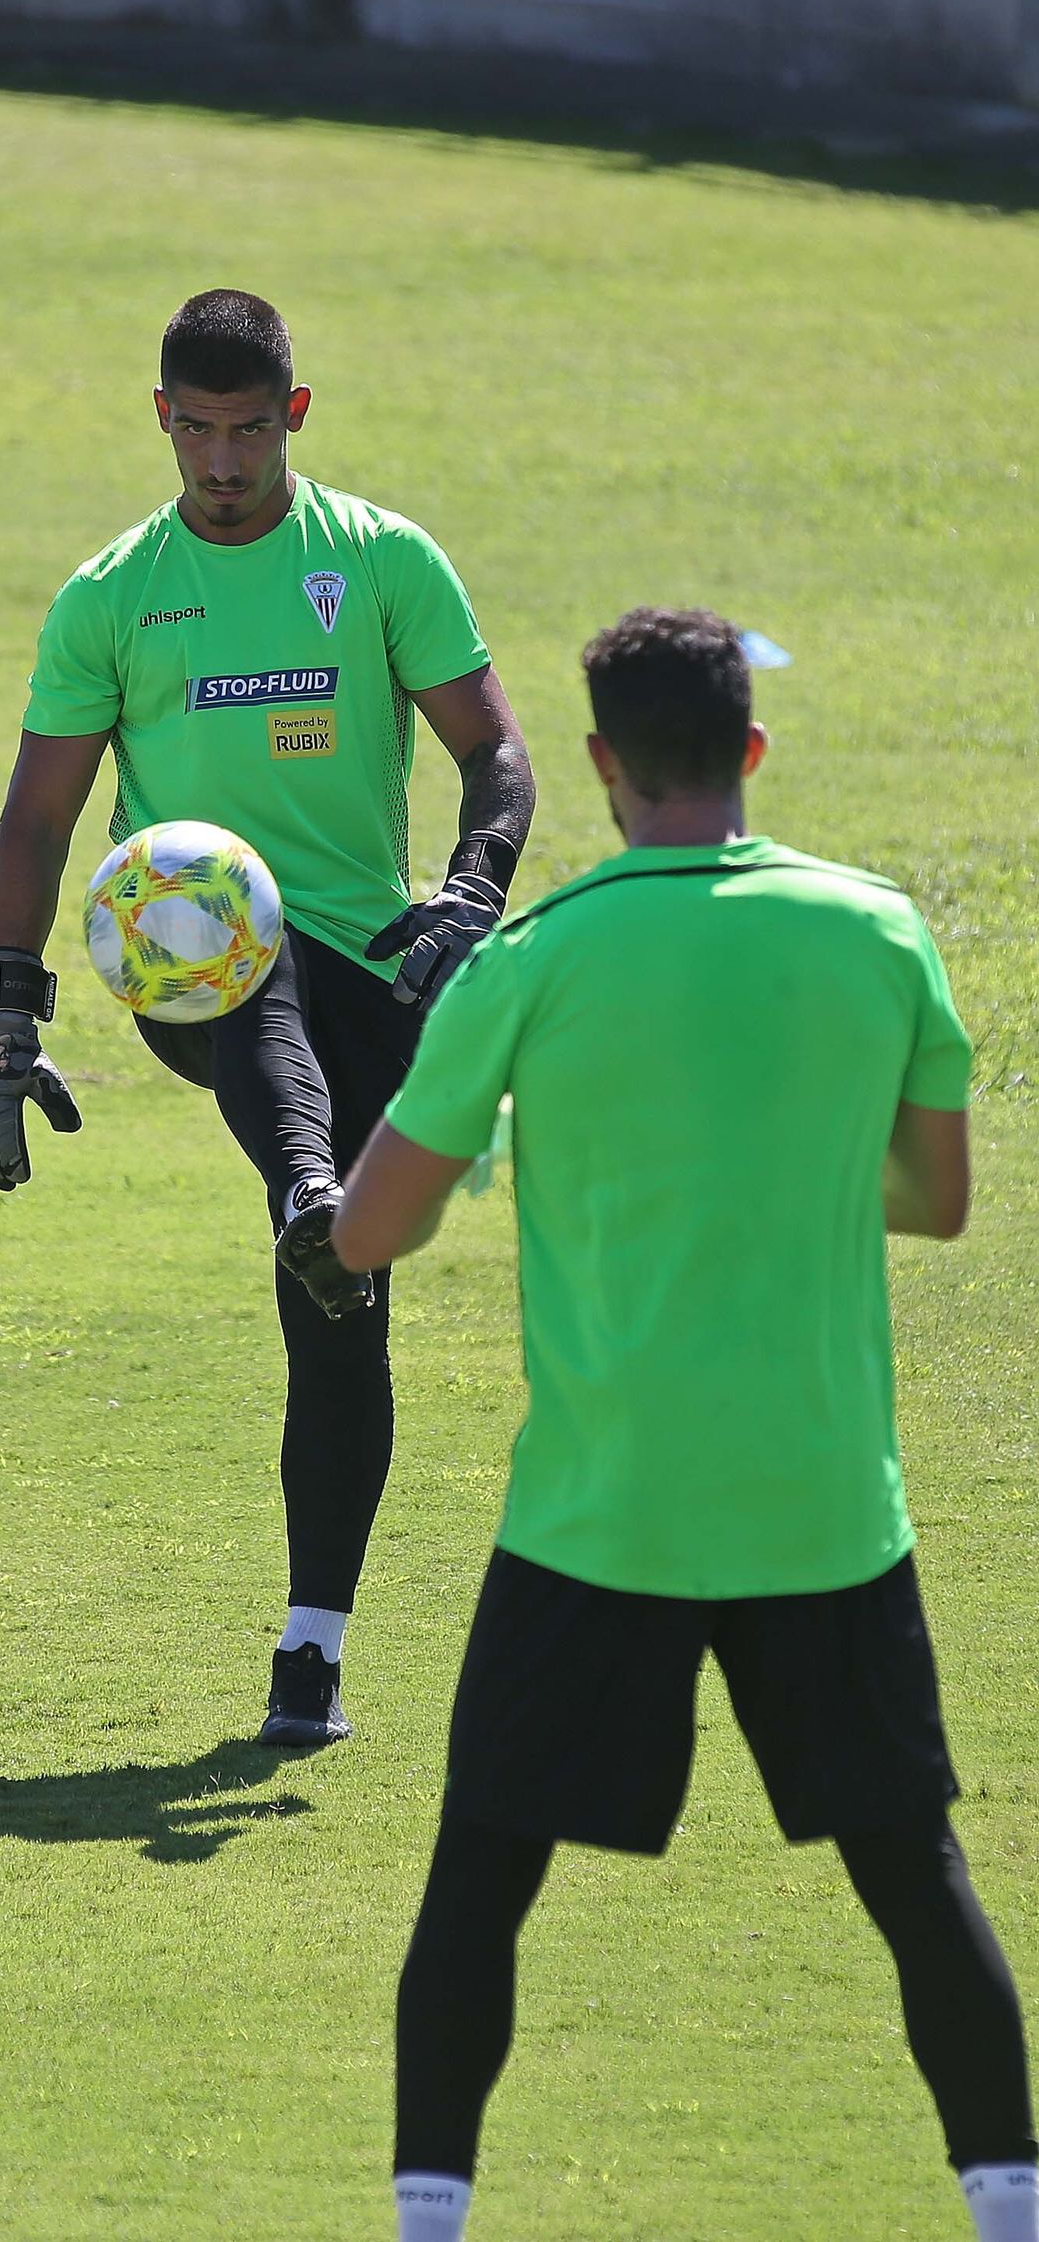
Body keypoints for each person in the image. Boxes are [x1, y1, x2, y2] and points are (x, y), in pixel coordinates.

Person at [332, 608, 1034, 2242]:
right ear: (753, 754)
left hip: (601, 1515)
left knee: (481, 1883)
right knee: (917, 1880)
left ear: (596, 765)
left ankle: (428, 2222)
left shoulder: (534, 962)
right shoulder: (879, 935)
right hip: (822, 1514)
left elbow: (374, 1232)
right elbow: (935, 1200)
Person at [0, 289, 535, 1747]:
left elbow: (498, 753)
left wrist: (469, 893)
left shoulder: (382, 561)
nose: (223, 463)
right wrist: (1, 1029)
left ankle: (311, 1650)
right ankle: (312, 1191)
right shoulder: (110, 595)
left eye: (250, 432)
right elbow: (38, 823)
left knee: (343, 1321)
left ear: (296, 418)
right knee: (238, 927)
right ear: (161, 418)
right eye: (198, 432)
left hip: (378, 970)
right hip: (189, 963)